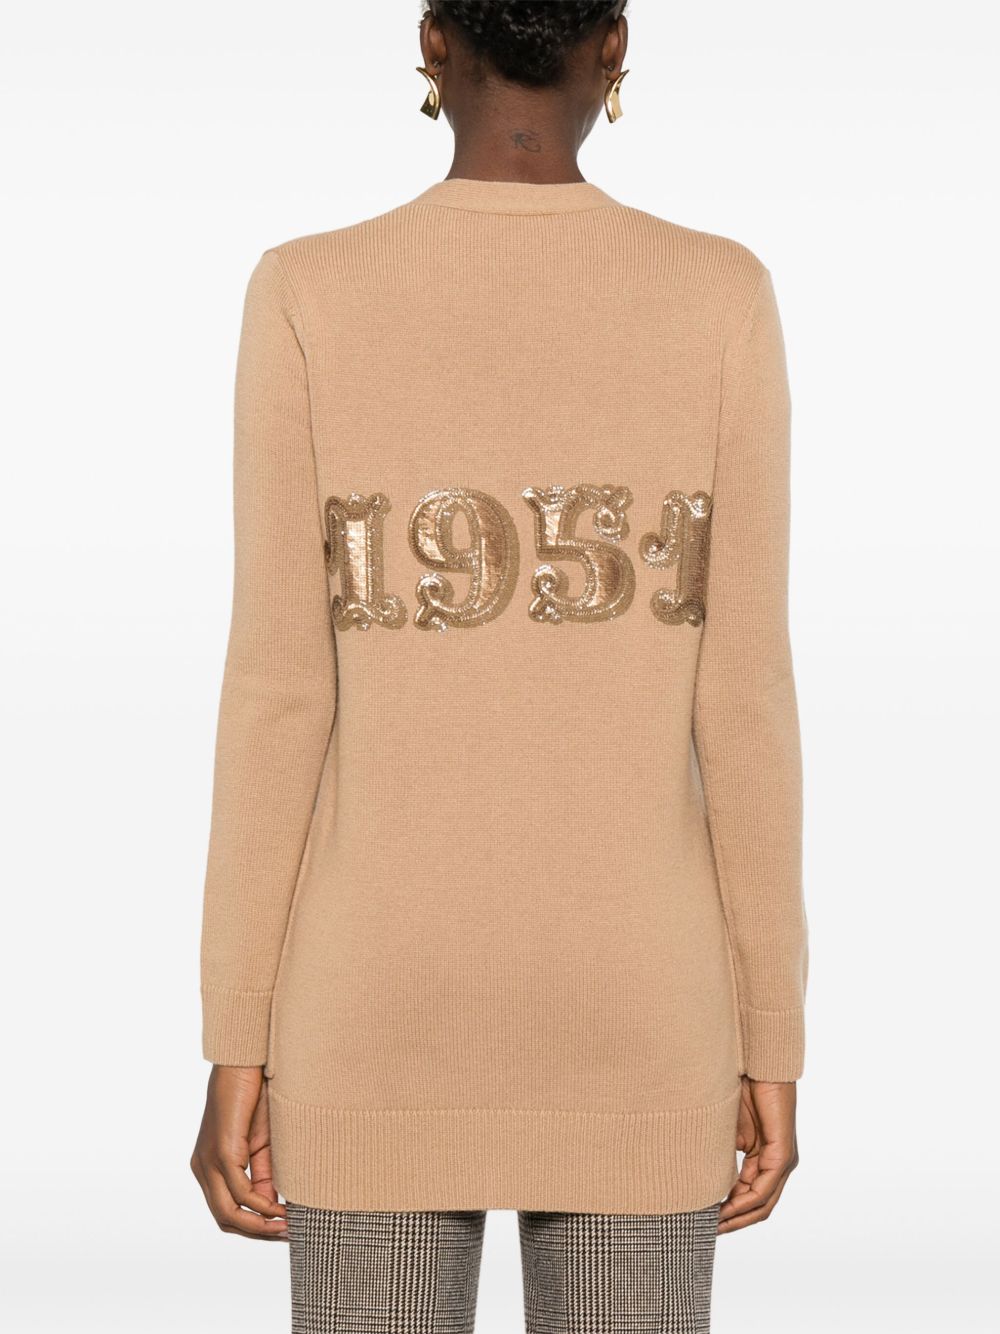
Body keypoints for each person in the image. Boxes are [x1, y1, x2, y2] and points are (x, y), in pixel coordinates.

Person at [190, 2, 808, 1330]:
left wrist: (236, 1033)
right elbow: (745, 705)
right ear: (614, 46)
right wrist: (773, 1032)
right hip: (642, 1010)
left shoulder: (308, 291)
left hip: (369, 1010)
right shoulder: (719, 296)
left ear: (431, 42)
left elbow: (276, 696)